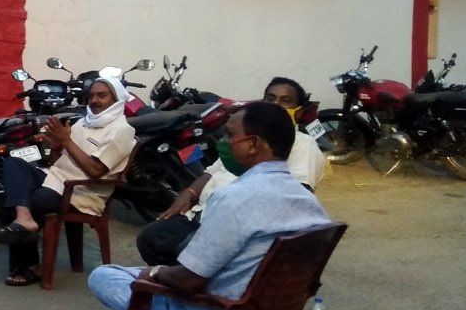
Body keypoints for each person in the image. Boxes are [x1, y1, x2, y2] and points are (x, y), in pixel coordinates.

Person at [78, 102, 331, 310]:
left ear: (254, 144)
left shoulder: (236, 198)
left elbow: (189, 280)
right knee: (149, 304)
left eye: (229, 136)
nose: (222, 143)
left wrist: (155, 274)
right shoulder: (310, 205)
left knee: (109, 278)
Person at [136, 77, 328, 266]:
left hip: (235, 223)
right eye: (271, 98)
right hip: (206, 213)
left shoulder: (302, 144)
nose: (276, 105)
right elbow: (212, 172)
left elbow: (296, 197)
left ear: (299, 110)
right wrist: (189, 193)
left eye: (286, 100)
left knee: (186, 254)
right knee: (151, 237)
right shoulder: (244, 138)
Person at [0, 78, 137, 286]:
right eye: (91, 96)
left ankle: (28, 265)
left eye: (102, 95)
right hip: (55, 180)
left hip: (81, 193)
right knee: (13, 165)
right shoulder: (83, 123)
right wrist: (57, 146)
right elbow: (55, 161)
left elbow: (96, 171)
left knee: (30, 198)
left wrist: (66, 141)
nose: (94, 100)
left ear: (117, 99)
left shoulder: (121, 131)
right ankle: (24, 219)